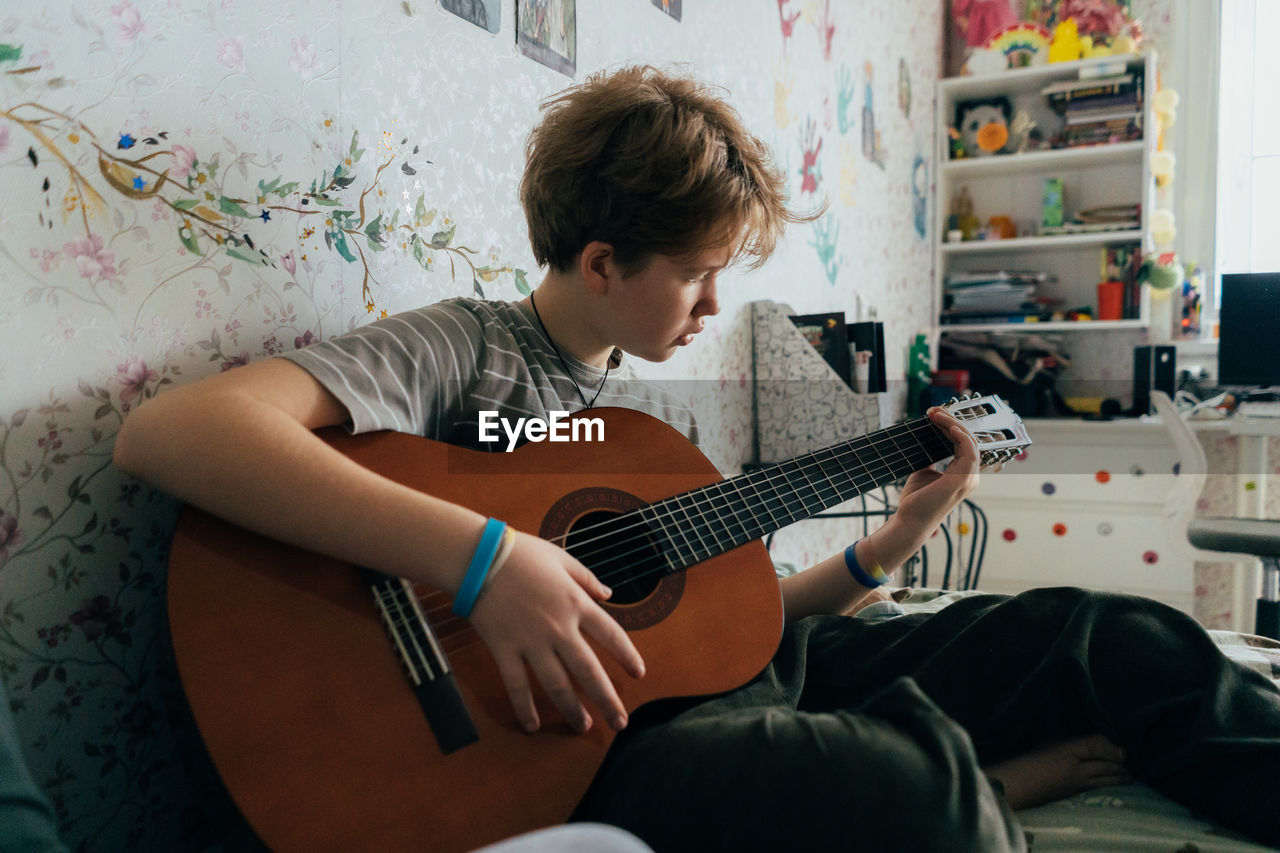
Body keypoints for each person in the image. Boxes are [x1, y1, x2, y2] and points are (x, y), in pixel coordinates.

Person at [113, 65, 1280, 851]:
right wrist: (482, 561)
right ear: (604, 259)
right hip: (583, 744)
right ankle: (990, 788)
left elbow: (731, 625)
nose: (715, 305)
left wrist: (894, 541)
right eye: (696, 272)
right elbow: (175, 433)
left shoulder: (644, 429)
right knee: (900, 792)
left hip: (730, 685)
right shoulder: (465, 351)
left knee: (1108, 633)